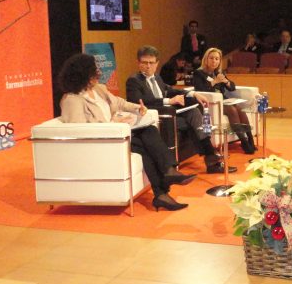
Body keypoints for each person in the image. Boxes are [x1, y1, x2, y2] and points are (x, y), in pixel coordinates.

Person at [58, 54, 193, 212]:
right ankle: (167, 176)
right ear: (82, 74)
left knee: (148, 132)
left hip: (120, 135)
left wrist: (137, 108)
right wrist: (113, 124)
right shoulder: (72, 100)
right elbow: (80, 132)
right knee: (146, 140)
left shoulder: (99, 89)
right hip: (104, 142)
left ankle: (163, 188)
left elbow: (119, 102)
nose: (99, 74)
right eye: (94, 71)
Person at [126, 45, 236, 174]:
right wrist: (168, 101)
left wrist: (193, 94)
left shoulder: (157, 78)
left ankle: (211, 157)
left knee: (194, 111)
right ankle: (211, 158)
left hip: (170, 113)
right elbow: (139, 102)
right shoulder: (133, 81)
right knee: (194, 123)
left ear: (157, 63)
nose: (148, 66)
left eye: (151, 63)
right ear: (138, 63)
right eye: (144, 63)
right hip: (156, 118)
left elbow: (170, 90)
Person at [193, 47, 257, 154]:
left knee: (240, 109)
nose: (214, 61)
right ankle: (244, 141)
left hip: (223, 100)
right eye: (212, 58)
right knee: (232, 110)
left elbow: (232, 87)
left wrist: (226, 81)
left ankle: (250, 139)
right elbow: (201, 90)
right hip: (212, 103)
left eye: (217, 59)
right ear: (206, 59)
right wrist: (214, 82)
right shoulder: (199, 73)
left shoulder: (218, 72)